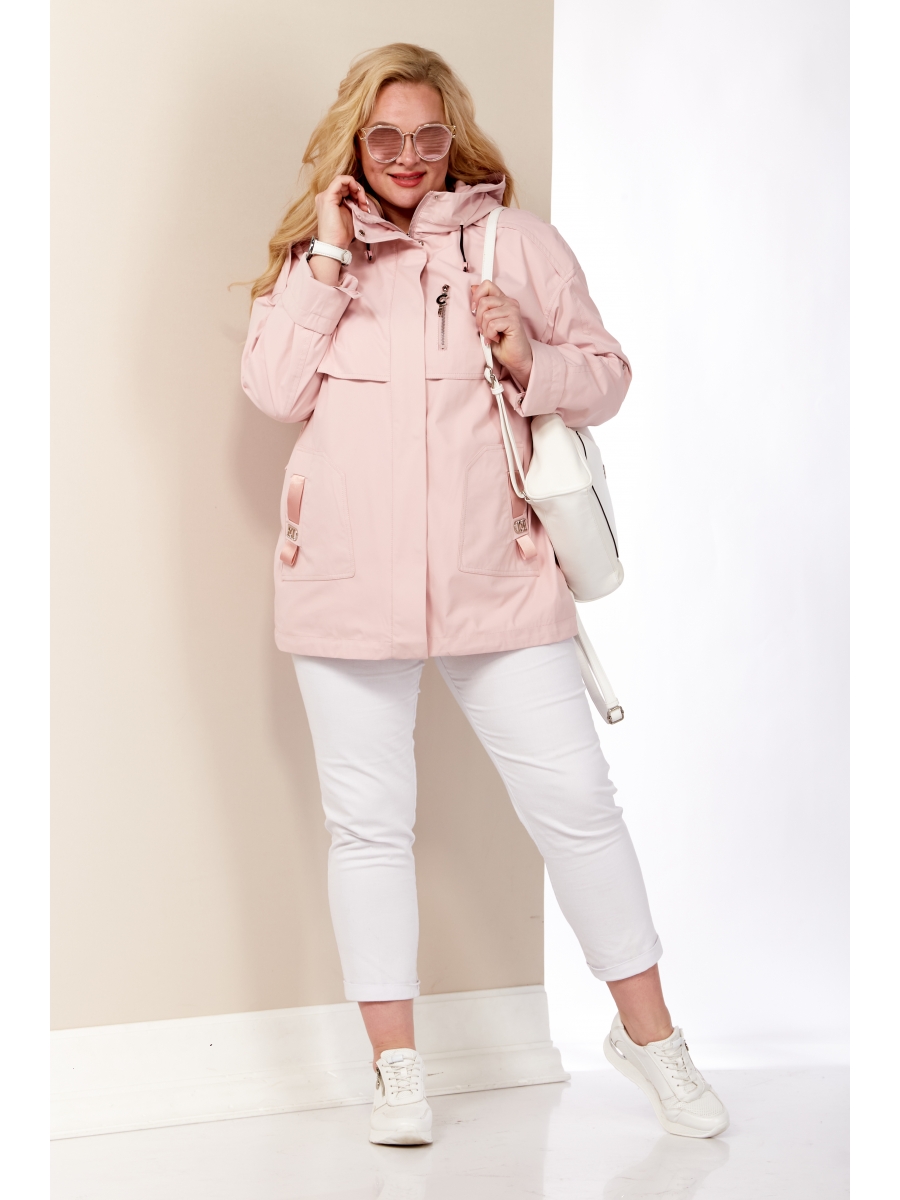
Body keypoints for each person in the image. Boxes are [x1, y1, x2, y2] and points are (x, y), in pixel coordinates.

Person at [241, 42, 728, 1146]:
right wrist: (327, 259)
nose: (408, 155)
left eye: (427, 134)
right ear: (355, 142)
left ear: (450, 136)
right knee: (369, 828)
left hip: (497, 576)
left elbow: (606, 375)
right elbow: (272, 388)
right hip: (344, 585)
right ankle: (396, 1071)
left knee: (580, 809)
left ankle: (652, 1040)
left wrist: (526, 357)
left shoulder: (517, 244)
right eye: (385, 135)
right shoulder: (316, 261)